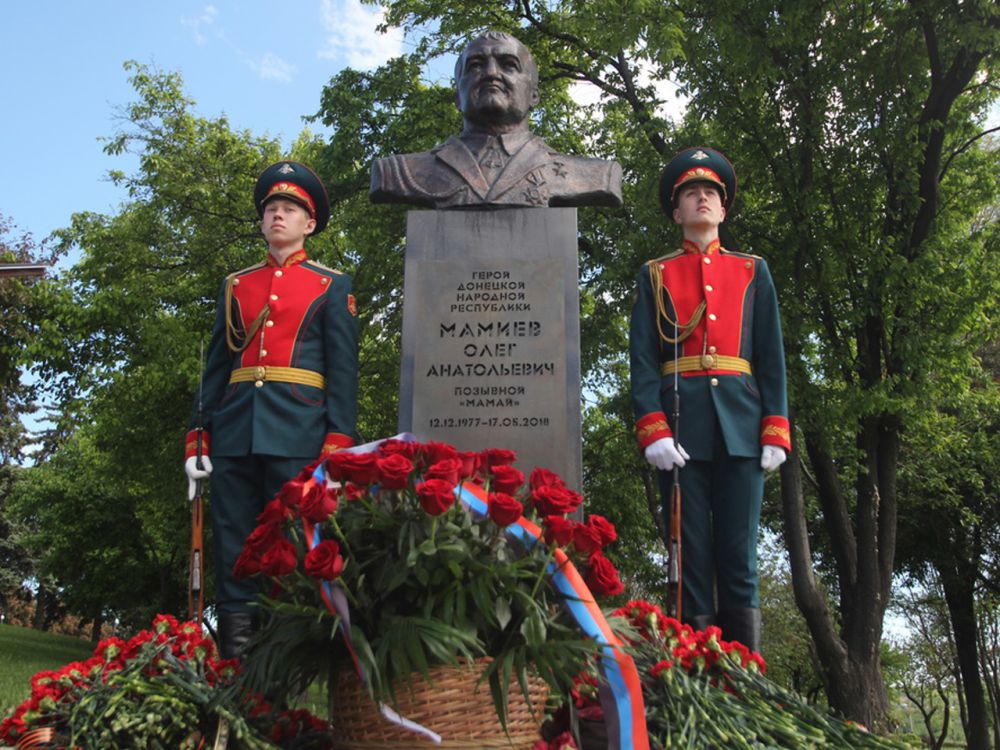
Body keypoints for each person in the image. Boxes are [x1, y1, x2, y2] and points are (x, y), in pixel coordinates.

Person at [184, 161, 359, 658]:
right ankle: (237, 664)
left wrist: (336, 446)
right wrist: (198, 438)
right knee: (234, 544)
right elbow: (216, 367)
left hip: (298, 430)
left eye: (290, 209)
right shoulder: (236, 286)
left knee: (287, 546)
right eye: (272, 209)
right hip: (235, 429)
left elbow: (343, 372)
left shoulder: (331, 285)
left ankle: (277, 670)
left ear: (310, 224)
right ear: (262, 222)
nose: (278, 215)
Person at [628, 147, 791, 651]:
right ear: (677, 212)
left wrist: (775, 428)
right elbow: (642, 359)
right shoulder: (655, 274)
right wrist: (652, 428)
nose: (702, 199)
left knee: (740, 560)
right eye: (691, 194)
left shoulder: (751, 271)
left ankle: (745, 677)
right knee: (690, 558)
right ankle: (698, 678)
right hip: (680, 431)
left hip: (743, 428)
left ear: (723, 210)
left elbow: (771, 358)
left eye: (711, 194)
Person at [370, 31, 621, 209]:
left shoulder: (591, 175)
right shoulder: (402, 173)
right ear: (458, 96)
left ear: (534, 94)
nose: (491, 73)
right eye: (476, 66)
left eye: (508, 65)